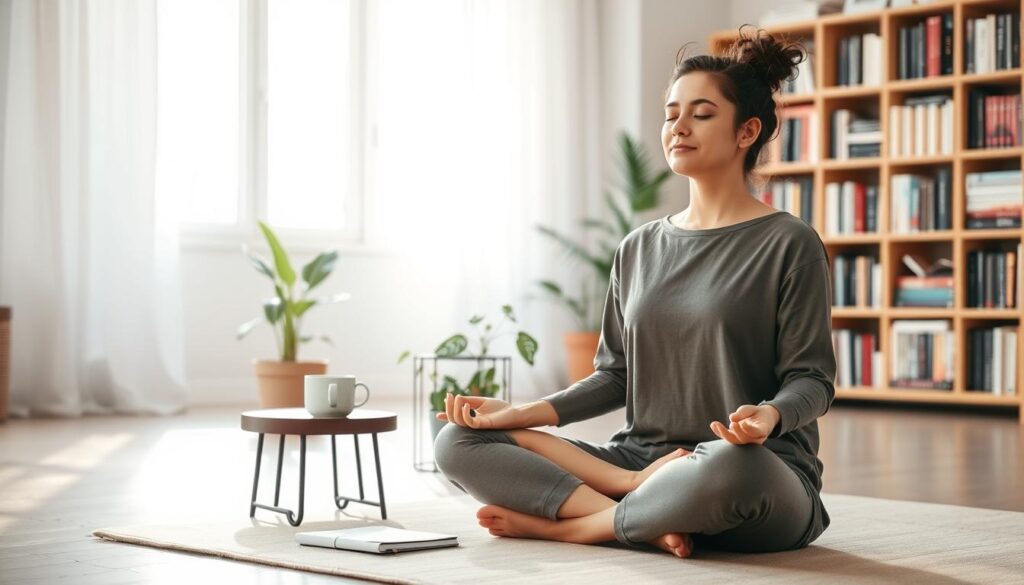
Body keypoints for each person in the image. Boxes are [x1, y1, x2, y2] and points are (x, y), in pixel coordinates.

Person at [432, 25, 836, 559]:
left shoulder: (789, 242)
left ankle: (572, 526)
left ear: (747, 132)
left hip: (752, 469)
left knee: (731, 467)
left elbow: (812, 380)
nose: (678, 127)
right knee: (458, 442)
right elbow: (616, 374)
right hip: (639, 464)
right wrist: (523, 414)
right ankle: (631, 506)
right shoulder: (639, 246)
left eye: (702, 113)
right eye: (671, 114)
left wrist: (769, 418)